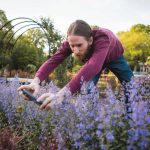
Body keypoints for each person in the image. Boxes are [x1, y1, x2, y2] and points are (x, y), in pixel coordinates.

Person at [17, 20, 133, 111]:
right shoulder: (71, 42)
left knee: (131, 86)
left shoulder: (103, 38)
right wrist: (35, 81)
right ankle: (89, 123)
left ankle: (131, 118)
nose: (75, 51)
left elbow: (93, 66)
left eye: (79, 45)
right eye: (72, 46)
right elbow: (54, 60)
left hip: (114, 57)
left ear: (91, 40)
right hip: (93, 62)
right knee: (87, 90)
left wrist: (60, 95)